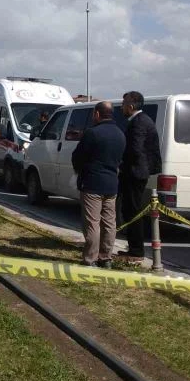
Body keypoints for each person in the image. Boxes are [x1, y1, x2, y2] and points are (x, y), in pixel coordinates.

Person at [71, 102, 126, 268]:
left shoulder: (92, 133)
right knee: (109, 223)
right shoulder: (120, 134)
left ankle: (90, 258)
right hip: (111, 184)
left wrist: (80, 170)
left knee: (92, 223)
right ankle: (106, 257)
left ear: (97, 114)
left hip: (92, 183)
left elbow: (78, 157)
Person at [118, 91, 162, 261]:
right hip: (137, 171)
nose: (121, 107)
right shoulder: (140, 120)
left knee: (132, 211)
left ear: (131, 106)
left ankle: (136, 251)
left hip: (135, 172)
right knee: (130, 210)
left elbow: (134, 149)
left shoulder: (139, 122)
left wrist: (121, 165)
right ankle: (133, 248)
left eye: (123, 104)